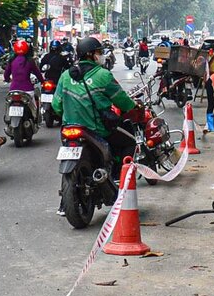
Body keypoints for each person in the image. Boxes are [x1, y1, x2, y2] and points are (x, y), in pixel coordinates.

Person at [56, 35, 147, 184]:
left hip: (69, 128)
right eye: (99, 52)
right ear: (91, 55)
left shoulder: (65, 76)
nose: (101, 55)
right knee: (130, 142)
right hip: (98, 129)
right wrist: (133, 106)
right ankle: (120, 179)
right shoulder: (103, 75)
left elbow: (56, 106)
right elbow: (123, 102)